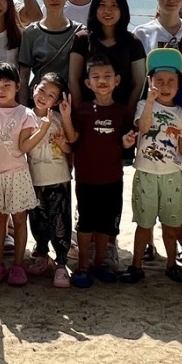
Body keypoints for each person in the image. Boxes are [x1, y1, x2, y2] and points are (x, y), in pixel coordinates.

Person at [63, 57, 137, 287]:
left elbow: (126, 142)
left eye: (107, 76)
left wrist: (127, 141)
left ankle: (100, 263)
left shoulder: (122, 112)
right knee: (85, 223)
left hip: (112, 178)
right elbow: (72, 138)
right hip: (86, 178)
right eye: (96, 77)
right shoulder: (83, 111)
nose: (102, 80)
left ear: (117, 80)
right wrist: (66, 117)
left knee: (106, 224)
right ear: (88, 83)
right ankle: (83, 265)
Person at [130, 49, 182, 284]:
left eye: (171, 82)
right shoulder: (143, 105)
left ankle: (171, 264)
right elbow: (144, 127)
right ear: (150, 82)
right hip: (146, 172)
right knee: (143, 223)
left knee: (171, 223)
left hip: (172, 175)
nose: (165, 86)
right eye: (159, 81)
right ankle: (136, 265)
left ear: (179, 85)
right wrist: (150, 100)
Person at [0, 62, 41, 285]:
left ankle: (18, 266)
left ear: (17, 86)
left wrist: (43, 129)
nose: (1, 90)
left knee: (20, 220)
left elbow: (23, 147)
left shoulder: (25, 113)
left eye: (6, 85)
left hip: (18, 174)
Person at [24, 73, 74, 286]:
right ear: (34, 88)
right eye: (42, 90)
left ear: (56, 101)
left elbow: (70, 144)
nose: (44, 97)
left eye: (51, 95)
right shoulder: (24, 116)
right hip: (34, 179)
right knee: (37, 220)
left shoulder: (59, 118)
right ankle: (42, 255)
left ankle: (61, 263)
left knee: (60, 221)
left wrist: (63, 142)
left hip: (58, 178)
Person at [67, 0, 144, 107]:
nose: (108, 11)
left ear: (122, 9)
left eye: (114, 5)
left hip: (122, 113)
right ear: (95, 8)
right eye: (102, 5)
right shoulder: (82, 39)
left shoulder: (133, 42)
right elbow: (73, 80)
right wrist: (79, 112)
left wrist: (129, 114)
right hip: (88, 113)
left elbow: (139, 83)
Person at [18, 0, 78, 102]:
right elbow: (24, 76)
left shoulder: (79, 32)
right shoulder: (31, 33)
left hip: (66, 102)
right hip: (38, 102)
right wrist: (24, 109)